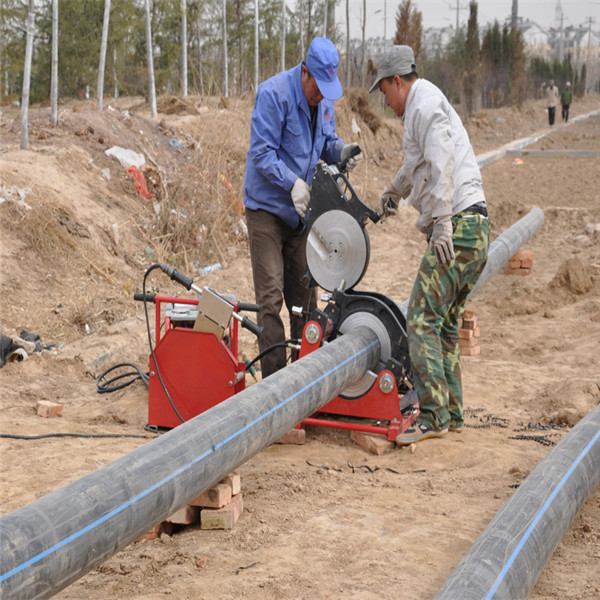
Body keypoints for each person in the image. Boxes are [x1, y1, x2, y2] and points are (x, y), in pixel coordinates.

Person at [369, 45, 490, 444]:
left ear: (397, 81)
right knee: (444, 323)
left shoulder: (424, 106)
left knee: (419, 318)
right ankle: (452, 413)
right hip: (474, 228)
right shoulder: (423, 107)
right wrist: (393, 190)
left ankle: (433, 417)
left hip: (458, 227)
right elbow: (417, 163)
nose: (385, 102)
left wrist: (441, 224)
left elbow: (441, 162)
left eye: (385, 91)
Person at [243, 37, 362, 379]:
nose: (321, 95)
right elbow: (261, 152)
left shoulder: (323, 101)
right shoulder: (274, 94)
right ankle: (275, 390)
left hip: (300, 214)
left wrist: (341, 151)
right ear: (304, 71)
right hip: (267, 210)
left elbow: (325, 143)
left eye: (327, 88)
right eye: (317, 87)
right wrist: (292, 182)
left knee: (306, 299)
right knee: (271, 299)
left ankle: (305, 383)